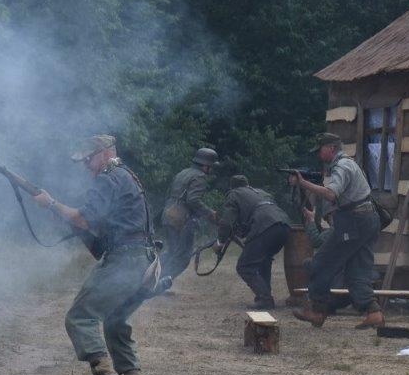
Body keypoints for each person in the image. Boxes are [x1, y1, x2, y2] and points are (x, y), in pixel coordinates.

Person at [32, 134, 156, 375]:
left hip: (125, 260)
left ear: (105, 154)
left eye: (89, 159)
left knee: (79, 317)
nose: (86, 166)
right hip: (142, 260)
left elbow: (84, 220)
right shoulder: (126, 175)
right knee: (114, 320)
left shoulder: (108, 178)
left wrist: (51, 204)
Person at [289, 133, 384, 329]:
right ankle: (373, 312)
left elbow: (331, 194)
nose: (319, 154)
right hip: (367, 220)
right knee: (357, 269)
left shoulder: (342, 166)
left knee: (320, 263)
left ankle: (317, 310)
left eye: (321, 149)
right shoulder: (348, 164)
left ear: (331, 148)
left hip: (354, 221)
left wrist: (303, 183)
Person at [215, 175, 290, 310]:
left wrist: (220, 242)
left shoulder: (234, 194)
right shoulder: (262, 193)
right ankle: (265, 296)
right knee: (264, 260)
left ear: (232, 187)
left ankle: (265, 299)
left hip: (265, 226)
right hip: (284, 225)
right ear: (247, 185)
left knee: (244, 266)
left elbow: (226, 223)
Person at [156, 148, 218, 293]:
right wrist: (210, 213)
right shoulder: (199, 176)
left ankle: (152, 278)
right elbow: (193, 200)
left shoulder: (183, 173)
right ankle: (160, 284)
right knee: (182, 257)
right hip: (181, 219)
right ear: (206, 166)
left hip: (169, 213)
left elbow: (171, 194)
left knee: (172, 252)